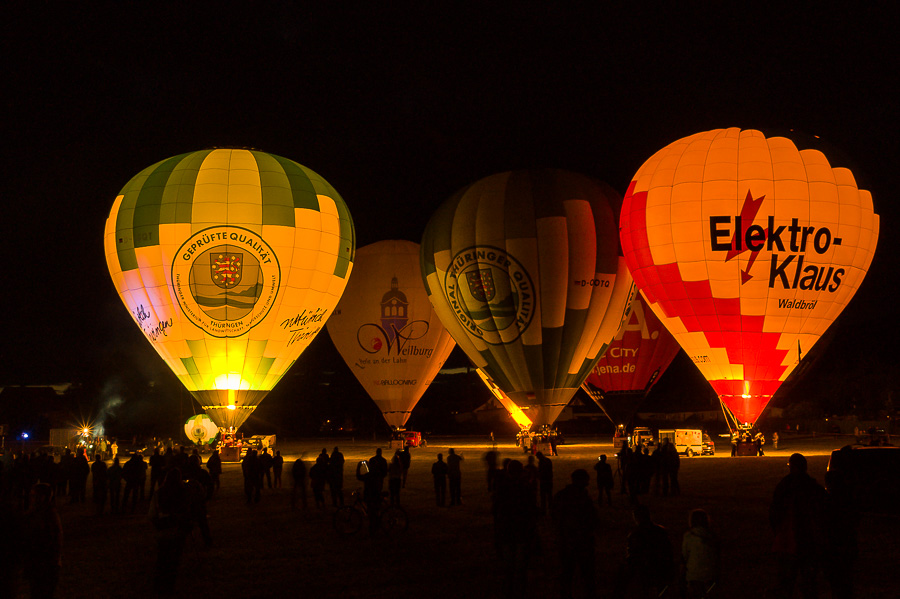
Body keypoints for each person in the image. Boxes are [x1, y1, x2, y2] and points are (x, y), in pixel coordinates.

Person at [769, 453, 827, 598]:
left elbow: (775, 512)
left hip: (789, 541)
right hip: (808, 540)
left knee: (787, 581)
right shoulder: (812, 486)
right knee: (808, 580)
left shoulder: (785, 485)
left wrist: (777, 532)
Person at [493, 460, 538, 599]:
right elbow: (531, 511)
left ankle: (509, 590)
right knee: (521, 566)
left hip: (507, 531)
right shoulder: (526, 488)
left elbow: (496, 511)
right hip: (522, 531)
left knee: (508, 566)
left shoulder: (502, 488)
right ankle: (520, 591)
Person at [552, 469, 598, 599]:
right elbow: (592, 519)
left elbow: (555, 516)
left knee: (567, 572)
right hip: (581, 541)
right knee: (586, 573)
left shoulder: (562, 496)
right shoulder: (582, 498)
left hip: (566, 541)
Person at [149, 469, 192, 596]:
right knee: (174, 561)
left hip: (163, 531)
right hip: (177, 531)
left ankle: (159, 587)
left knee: (162, 560)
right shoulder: (183, 492)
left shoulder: (159, 493)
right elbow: (187, 511)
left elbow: (152, 515)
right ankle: (169, 587)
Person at [616, 504, 674, 597]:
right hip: (661, 568)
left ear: (636, 518)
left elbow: (632, 556)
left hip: (645, 570)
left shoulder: (635, 534)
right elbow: (668, 551)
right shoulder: (660, 531)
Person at [22, 483, 62, 599]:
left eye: (33, 496)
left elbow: (49, 542)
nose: (30, 498)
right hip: (41, 564)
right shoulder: (42, 513)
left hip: (44, 565)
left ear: (42, 497)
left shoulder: (45, 516)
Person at [681, 509, 719, 598]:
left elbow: (684, 556)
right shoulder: (713, 536)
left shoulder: (689, 536)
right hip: (711, 574)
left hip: (694, 575)